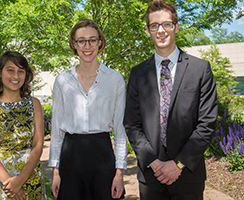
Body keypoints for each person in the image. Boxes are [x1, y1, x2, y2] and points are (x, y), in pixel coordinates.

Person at [123, 0, 218, 199]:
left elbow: (207, 123)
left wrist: (179, 164)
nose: (161, 30)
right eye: (154, 25)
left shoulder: (200, 70)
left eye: (166, 24)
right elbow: (132, 124)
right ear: (148, 30)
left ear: (176, 27)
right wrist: (154, 162)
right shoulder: (138, 74)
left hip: (188, 176)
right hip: (151, 175)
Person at [48, 18, 127, 200]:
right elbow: (57, 129)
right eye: (81, 41)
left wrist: (119, 173)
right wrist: (55, 171)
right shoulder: (62, 81)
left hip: (103, 157)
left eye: (92, 39)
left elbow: (120, 130)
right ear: (74, 45)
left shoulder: (115, 80)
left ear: (100, 42)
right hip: (70, 157)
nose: (87, 46)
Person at [0, 51, 46, 200]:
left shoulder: (34, 104)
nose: (16, 76)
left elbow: (38, 145)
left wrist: (20, 180)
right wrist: (10, 184)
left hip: (30, 179)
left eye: (21, 71)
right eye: (10, 70)